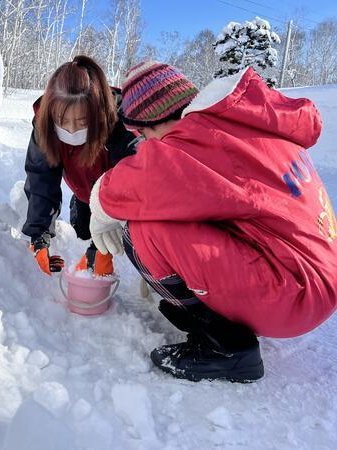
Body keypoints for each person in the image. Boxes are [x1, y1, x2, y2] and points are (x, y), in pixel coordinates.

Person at [89, 60, 337, 382]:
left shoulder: (201, 140)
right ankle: (232, 321)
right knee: (171, 213)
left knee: (143, 230)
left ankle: (225, 346)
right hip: (316, 276)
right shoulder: (243, 124)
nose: (147, 143)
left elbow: (142, 181)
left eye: (144, 133)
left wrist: (100, 206)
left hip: (295, 294)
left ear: (158, 118)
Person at [22, 55, 138, 276]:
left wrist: (102, 240)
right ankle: (81, 204)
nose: (72, 130)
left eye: (83, 122)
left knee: (116, 238)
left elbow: (133, 177)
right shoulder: (43, 124)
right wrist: (39, 237)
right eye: (63, 121)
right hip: (83, 188)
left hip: (111, 193)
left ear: (98, 113)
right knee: (83, 230)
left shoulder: (120, 119)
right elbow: (41, 179)